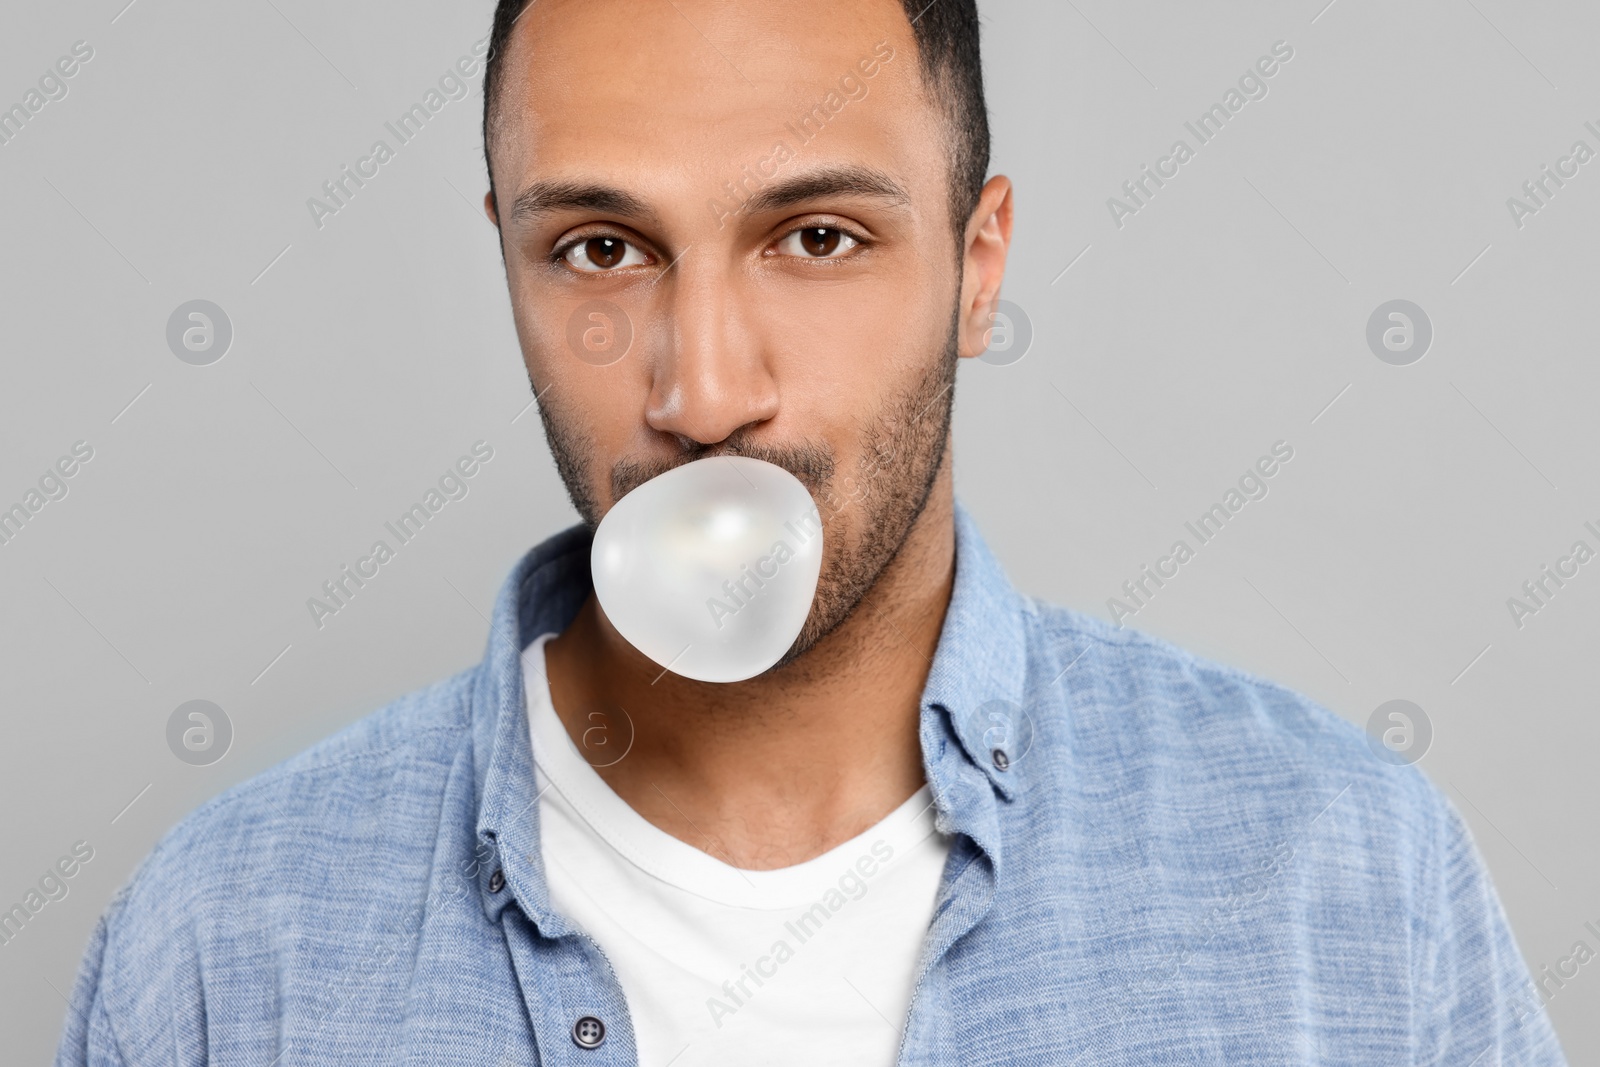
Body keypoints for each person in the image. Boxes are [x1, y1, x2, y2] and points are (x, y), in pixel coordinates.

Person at [56, 0, 1566, 1063]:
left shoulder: (1349, 879)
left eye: (817, 238)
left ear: (978, 270)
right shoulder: (220, 944)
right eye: (601, 247)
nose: (703, 389)